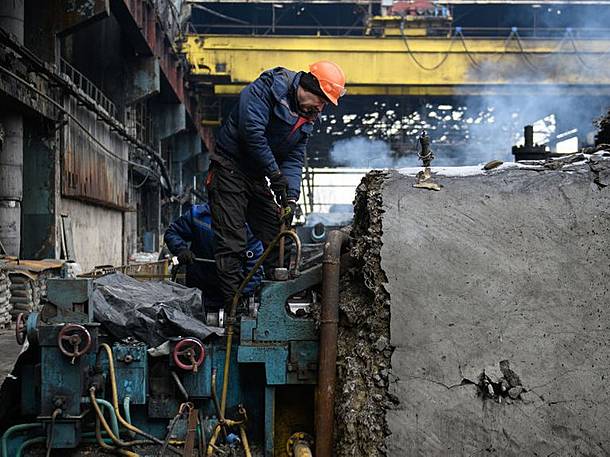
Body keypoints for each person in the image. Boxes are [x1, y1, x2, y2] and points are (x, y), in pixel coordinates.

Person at [207, 60, 346, 308]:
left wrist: (290, 196)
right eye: (321, 99)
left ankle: (272, 305)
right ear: (308, 86)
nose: (321, 107)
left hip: (257, 176)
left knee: (278, 236)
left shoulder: (307, 117)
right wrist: (274, 174)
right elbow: (252, 134)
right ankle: (234, 312)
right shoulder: (267, 89)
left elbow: (293, 159)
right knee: (232, 244)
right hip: (229, 169)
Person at [164, 203, 264, 307]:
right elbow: (172, 232)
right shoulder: (198, 216)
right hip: (198, 291)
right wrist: (181, 249)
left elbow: (255, 265)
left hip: (231, 293)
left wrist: (242, 295)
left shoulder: (248, 225)